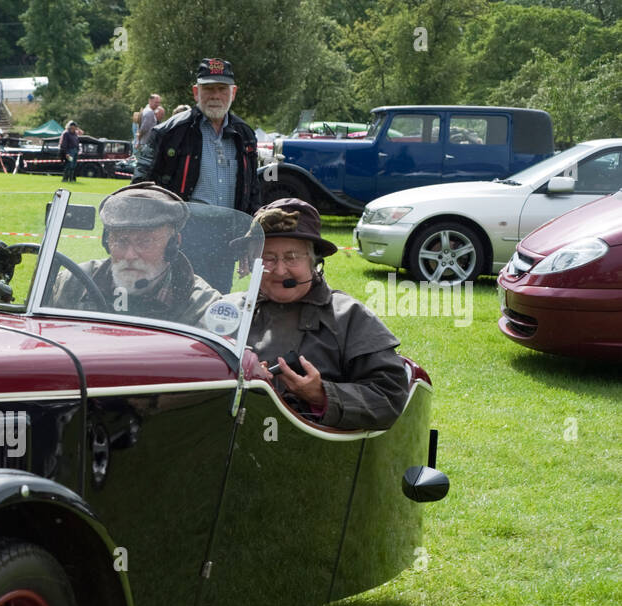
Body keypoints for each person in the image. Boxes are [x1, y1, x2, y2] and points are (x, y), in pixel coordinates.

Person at [221, 198, 407, 431]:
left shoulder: (349, 316)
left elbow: (390, 398)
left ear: (314, 261)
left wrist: (321, 395)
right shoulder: (226, 311)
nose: (280, 270)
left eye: (291, 257)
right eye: (268, 258)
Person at [134, 59, 261, 291]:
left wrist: (251, 238)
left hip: (227, 238)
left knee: (216, 304)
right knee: (175, 303)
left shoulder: (245, 134)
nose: (215, 95)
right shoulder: (169, 132)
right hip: (182, 235)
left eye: (222, 89)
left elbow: (252, 190)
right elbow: (140, 184)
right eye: (208, 88)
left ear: (233, 92)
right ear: (196, 92)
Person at [49, 182, 220, 325]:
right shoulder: (71, 284)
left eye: (145, 242)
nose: (130, 255)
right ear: (106, 242)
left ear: (173, 245)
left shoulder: (201, 305)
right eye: (121, 241)